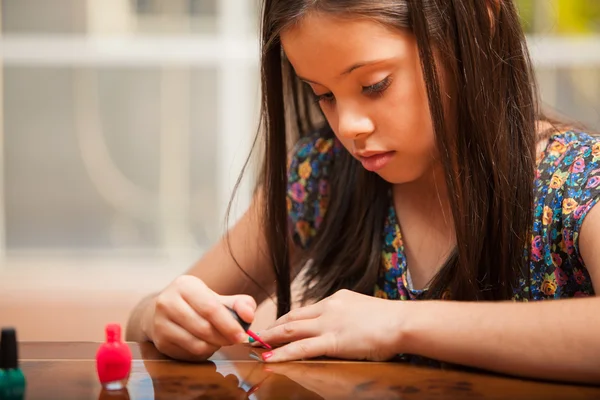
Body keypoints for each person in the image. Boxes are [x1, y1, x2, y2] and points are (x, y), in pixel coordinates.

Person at [126, 0, 600, 384]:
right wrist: (162, 317)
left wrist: (395, 324)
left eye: (374, 85)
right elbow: (149, 315)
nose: (348, 126)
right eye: (323, 95)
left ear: (478, 24)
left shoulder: (575, 180)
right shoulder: (325, 174)